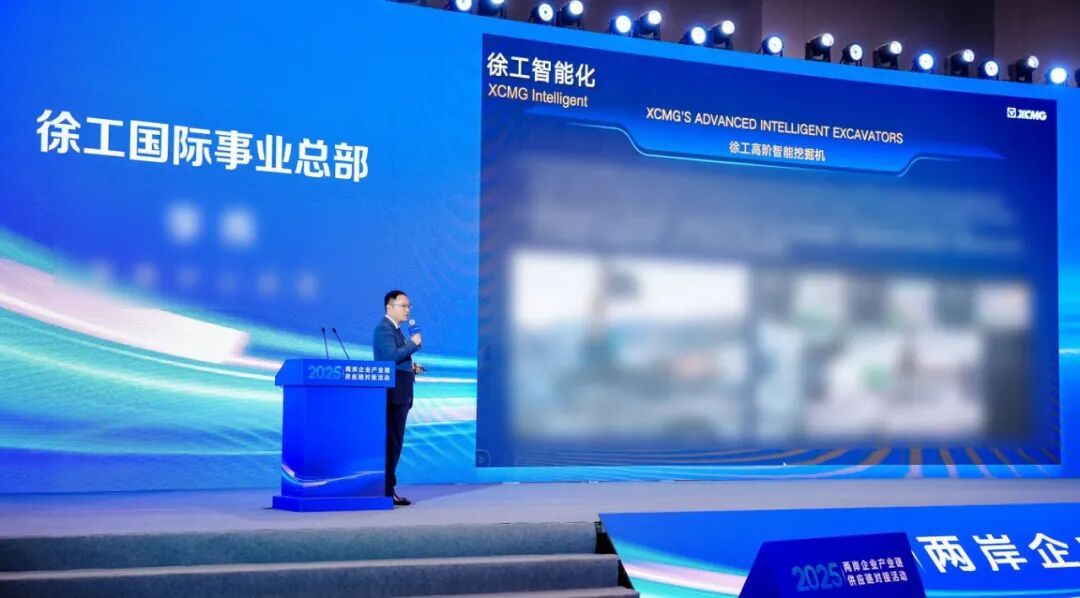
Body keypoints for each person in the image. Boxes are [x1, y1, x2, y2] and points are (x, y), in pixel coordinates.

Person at [373, 290, 424, 506]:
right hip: (393, 394)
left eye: (409, 306)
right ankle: (386, 489)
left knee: (395, 442)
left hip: (401, 391)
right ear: (389, 307)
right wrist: (413, 343)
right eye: (403, 305)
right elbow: (389, 357)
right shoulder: (384, 328)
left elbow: (398, 358)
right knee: (392, 442)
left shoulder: (396, 330)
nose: (407, 310)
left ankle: (387, 488)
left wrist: (411, 367)